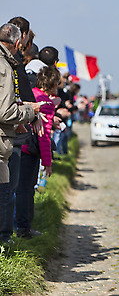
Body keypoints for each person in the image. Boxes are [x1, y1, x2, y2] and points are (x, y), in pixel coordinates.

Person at [0, 23, 39, 243]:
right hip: (3, 139)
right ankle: (4, 240)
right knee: (6, 191)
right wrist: (29, 111)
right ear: (17, 43)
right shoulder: (5, 66)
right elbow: (5, 113)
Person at [17, 66, 61, 238]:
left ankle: (16, 226)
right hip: (31, 151)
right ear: (53, 85)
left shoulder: (31, 94)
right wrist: (47, 163)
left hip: (20, 145)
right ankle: (24, 228)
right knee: (27, 191)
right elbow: (44, 135)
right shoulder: (46, 103)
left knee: (16, 189)